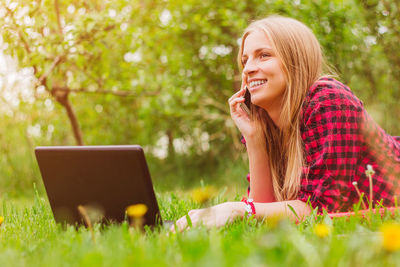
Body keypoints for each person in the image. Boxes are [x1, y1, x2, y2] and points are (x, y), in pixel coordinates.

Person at [172, 15, 400, 232]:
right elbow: (263, 211)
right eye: (245, 59)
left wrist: (237, 209)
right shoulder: (266, 124)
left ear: (294, 61)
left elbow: (320, 210)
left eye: (263, 55)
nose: (248, 68)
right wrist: (255, 139)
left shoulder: (327, 100)